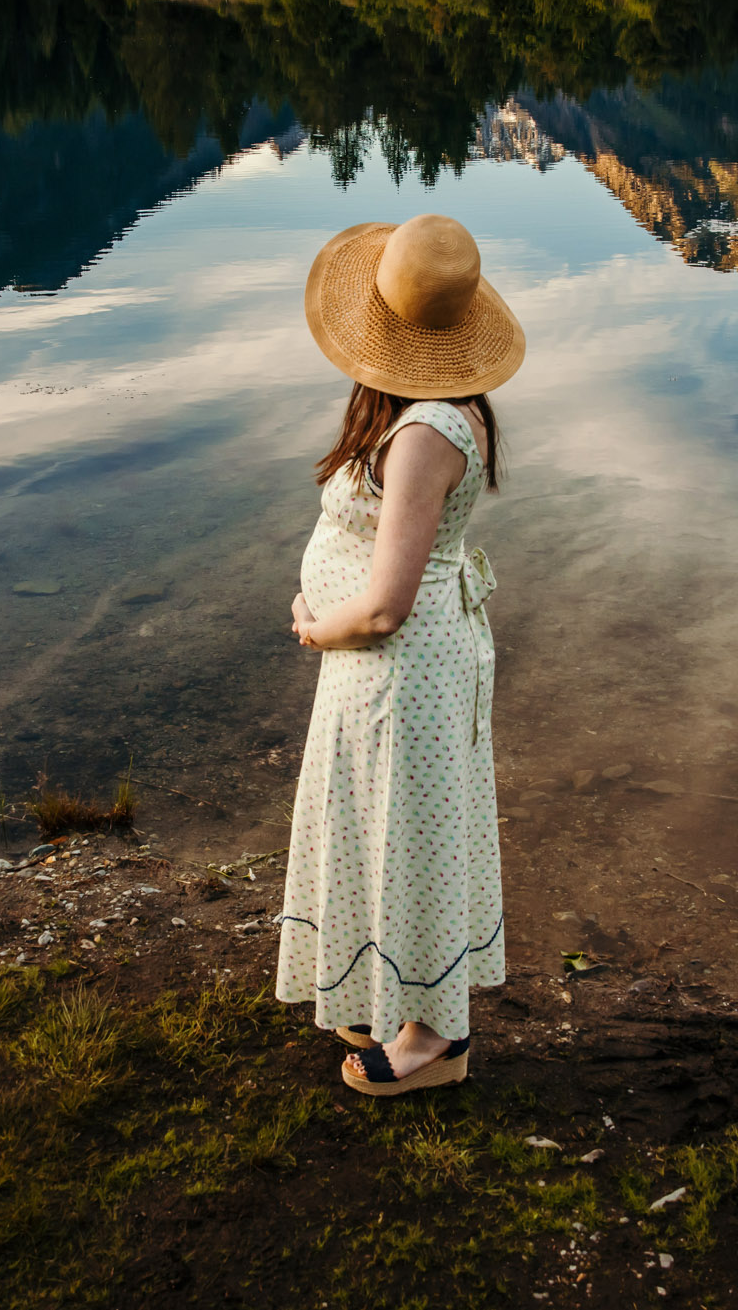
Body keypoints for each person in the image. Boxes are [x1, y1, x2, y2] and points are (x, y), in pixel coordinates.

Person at [276, 212, 525, 1096]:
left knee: (412, 839)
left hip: (402, 673)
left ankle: (435, 1039)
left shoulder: (426, 434)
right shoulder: (407, 412)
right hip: (379, 674)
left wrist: (315, 626)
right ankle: (384, 986)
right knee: (379, 828)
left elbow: (384, 607)